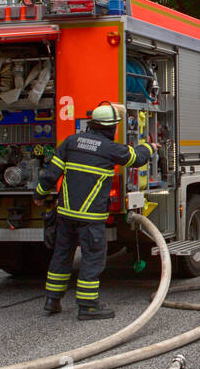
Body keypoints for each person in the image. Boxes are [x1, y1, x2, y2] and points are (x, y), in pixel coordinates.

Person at [34, 101, 155, 319]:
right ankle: (88, 306)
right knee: (92, 258)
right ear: (111, 128)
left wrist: (39, 195)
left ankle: (52, 300)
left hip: (66, 215)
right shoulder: (110, 149)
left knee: (62, 255)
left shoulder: (71, 142)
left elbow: (52, 173)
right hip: (91, 218)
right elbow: (137, 159)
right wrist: (150, 147)